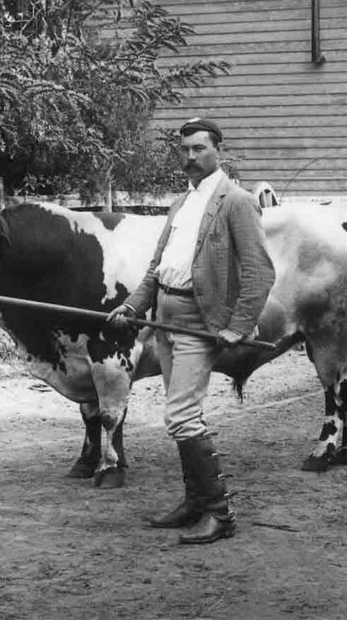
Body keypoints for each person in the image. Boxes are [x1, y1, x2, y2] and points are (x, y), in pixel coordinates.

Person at [107, 117, 275, 545]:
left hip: (201, 322)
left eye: (199, 149)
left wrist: (238, 327)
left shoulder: (236, 202)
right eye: (184, 150)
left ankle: (220, 514)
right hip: (164, 316)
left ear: (218, 150)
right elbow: (157, 268)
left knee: (180, 416)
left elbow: (259, 271)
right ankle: (194, 503)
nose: (190, 157)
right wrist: (132, 306)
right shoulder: (181, 204)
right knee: (183, 415)